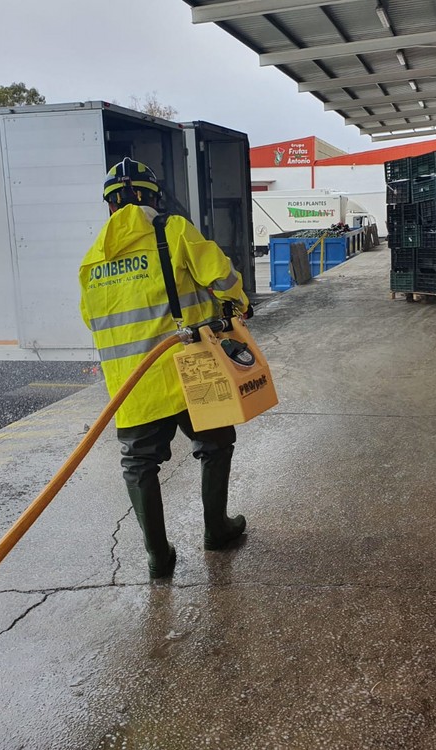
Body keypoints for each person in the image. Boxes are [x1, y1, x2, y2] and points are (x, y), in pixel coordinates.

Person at [79, 157, 252, 579]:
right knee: (215, 445)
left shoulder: (91, 261)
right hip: (190, 369)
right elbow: (221, 275)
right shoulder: (172, 231)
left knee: (139, 465)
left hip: (132, 386)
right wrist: (238, 305)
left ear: (110, 206)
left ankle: (158, 556)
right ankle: (216, 530)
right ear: (149, 197)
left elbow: (92, 320)